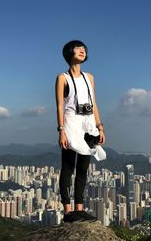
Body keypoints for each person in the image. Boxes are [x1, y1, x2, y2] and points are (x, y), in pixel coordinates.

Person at [55, 40, 106, 223]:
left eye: (84, 48)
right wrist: (61, 130)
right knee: (68, 167)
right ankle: (68, 212)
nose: (82, 50)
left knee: (83, 168)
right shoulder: (63, 78)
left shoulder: (89, 77)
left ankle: (80, 209)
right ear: (69, 52)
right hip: (70, 123)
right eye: (78, 48)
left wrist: (99, 126)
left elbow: (94, 103)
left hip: (88, 123)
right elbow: (60, 105)